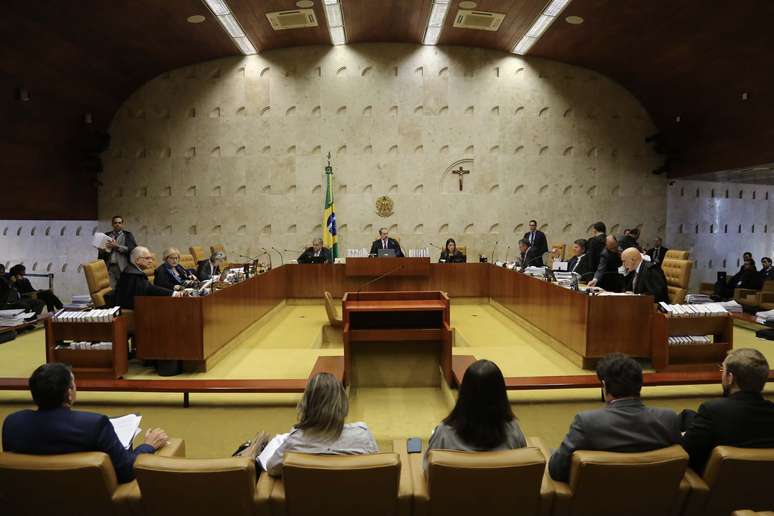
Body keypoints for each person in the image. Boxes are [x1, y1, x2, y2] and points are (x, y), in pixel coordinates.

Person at [2, 363, 168, 483]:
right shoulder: (95, 425)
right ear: (69, 393)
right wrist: (148, 446)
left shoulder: (13, 423)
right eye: (74, 384)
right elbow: (126, 471)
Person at [548, 354, 682, 482]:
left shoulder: (587, 422)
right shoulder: (669, 419)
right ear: (640, 385)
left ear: (604, 386)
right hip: (654, 501)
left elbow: (557, 470)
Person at [262, 372, 378, 476]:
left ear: (307, 404)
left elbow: (271, 469)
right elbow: (377, 467)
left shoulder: (294, 442)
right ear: (342, 403)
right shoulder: (363, 435)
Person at [682, 349, 774, 473]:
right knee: (688, 415)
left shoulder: (712, 410)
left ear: (730, 378)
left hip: (716, 487)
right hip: (764, 488)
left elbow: (687, 456)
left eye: (722, 370)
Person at [424, 359, 525, 470]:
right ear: (501, 396)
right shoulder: (514, 431)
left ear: (463, 395)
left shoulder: (444, 433)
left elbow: (427, 469)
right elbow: (524, 466)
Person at [98, 215, 137, 289]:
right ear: (112, 224)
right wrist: (101, 250)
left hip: (123, 267)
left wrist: (117, 246)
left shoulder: (127, 235)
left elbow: (132, 249)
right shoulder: (107, 235)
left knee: (124, 289)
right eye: (115, 223)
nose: (117, 224)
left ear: (122, 224)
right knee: (111, 290)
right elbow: (101, 253)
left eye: (119, 222)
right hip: (109, 267)